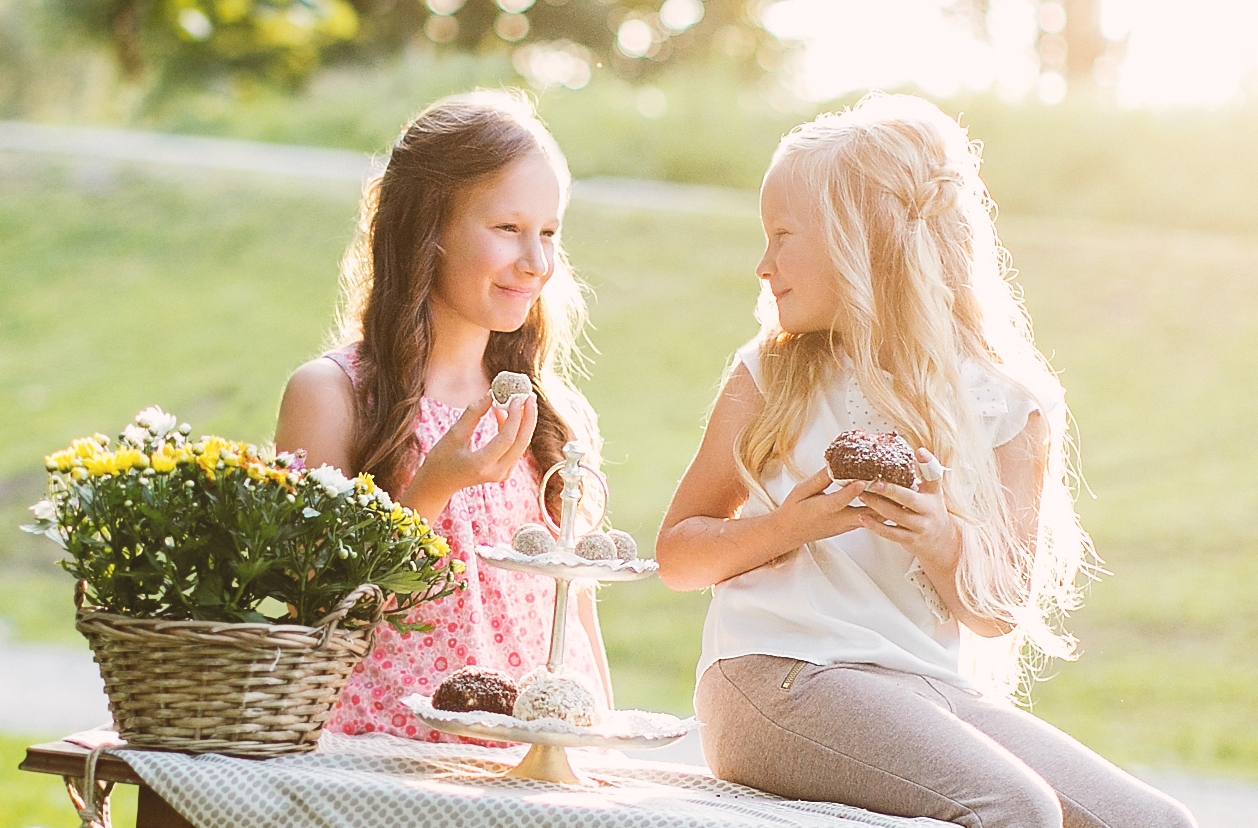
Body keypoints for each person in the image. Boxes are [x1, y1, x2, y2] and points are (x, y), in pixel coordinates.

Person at [655, 93, 1196, 828]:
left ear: (863, 241)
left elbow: (997, 609)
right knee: (1014, 807)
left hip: (925, 691)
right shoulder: (772, 374)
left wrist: (941, 538)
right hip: (776, 675)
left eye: (783, 236)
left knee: (1155, 823)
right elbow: (679, 556)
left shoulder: (1009, 404)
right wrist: (795, 525)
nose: (763, 264)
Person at [275, 89, 612, 741]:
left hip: (540, 765)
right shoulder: (333, 396)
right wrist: (434, 486)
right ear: (426, 232)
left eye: (548, 233)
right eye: (508, 229)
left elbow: (577, 613)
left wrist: (606, 749)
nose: (537, 262)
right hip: (388, 758)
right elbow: (313, 612)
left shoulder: (549, 416)